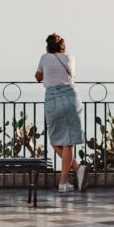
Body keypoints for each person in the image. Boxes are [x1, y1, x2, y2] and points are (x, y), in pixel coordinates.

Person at [35, 33, 86, 193]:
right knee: (68, 141)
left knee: (55, 140)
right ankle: (78, 170)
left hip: (52, 98)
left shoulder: (44, 58)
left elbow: (38, 77)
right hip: (70, 96)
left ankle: (63, 182)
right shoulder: (70, 57)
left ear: (48, 47)